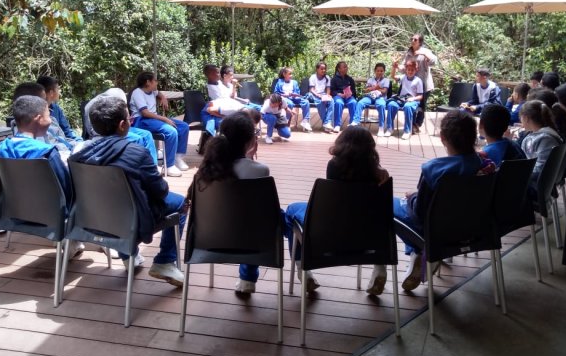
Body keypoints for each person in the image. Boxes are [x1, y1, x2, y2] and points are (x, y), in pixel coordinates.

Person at [70, 96, 187, 287]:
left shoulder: (79, 152)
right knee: (181, 202)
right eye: (130, 119)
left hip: (93, 218)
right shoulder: (135, 152)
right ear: (123, 125)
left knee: (117, 203)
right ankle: (165, 261)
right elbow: (160, 191)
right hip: (133, 221)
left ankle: (128, 256)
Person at [393, 110, 495, 291]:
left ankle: (418, 250)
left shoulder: (433, 169)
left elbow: (420, 212)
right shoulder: (486, 164)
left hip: (436, 233)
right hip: (474, 230)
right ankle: (418, 253)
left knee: (387, 203)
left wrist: (412, 197)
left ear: (442, 138)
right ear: (474, 137)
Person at [285, 126, 390, 295]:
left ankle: (303, 270)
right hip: (367, 238)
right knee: (377, 216)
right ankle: (380, 267)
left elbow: (337, 202)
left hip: (331, 236)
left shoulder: (334, 166)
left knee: (291, 210)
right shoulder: (380, 174)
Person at [190, 111, 273, 294]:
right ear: (250, 141)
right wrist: (249, 159)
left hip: (210, 237)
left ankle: (247, 279)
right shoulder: (261, 171)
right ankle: (248, 278)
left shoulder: (206, 171)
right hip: (251, 240)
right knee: (259, 216)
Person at [0, 95, 72, 205]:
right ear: (39, 119)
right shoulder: (47, 153)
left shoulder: (1, 148)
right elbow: (66, 188)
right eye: (48, 116)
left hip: (14, 208)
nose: (50, 120)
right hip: (50, 210)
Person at [129, 71, 189, 177]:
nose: (157, 82)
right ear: (148, 82)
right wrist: (164, 119)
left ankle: (177, 157)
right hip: (141, 120)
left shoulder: (152, 91)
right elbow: (145, 112)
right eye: (155, 80)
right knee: (171, 131)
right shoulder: (137, 92)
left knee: (184, 126)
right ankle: (169, 165)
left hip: (153, 119)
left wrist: (163, 97)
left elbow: (158, 93)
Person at [82, 87, 158, 165]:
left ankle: (152, 164)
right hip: (105, 132)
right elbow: (92, 129)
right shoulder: (97, 105)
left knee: (146, 134)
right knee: (138, 138)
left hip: (112, 127)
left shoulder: (78, 152)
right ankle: (144, 163)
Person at [519, 100, 563, 204]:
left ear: (526, 118)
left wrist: (518, 174)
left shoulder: (544, 138)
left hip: (536, 186)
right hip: (542, 183)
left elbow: (540, 169)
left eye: (520, 118)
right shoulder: (548, 133)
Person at [394, 33, 437, 132]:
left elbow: (434, 62)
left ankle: (417, 124)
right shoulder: (409, 53)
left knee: (421, 106)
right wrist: (397, 67)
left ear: (420, 42)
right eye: (412, 39)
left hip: (424, 84)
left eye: (415, 39)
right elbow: (405, 67)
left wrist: (423, 54)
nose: (412, 41)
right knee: (411, 103)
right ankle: (412, 124)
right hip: (411, 84)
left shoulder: (425, 51)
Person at [36, 75, 82, 141]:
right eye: (58, 89)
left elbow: (67, 131)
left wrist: (80, 141)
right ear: (51, 93)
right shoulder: (34, 110)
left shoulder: (56, 109)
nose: (59, 92)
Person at [386, 60, 424, 139]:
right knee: (391, 104)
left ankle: (407, 131)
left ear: (416, 70)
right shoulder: (403, 77)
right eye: (408, 70)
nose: (410, 72)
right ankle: (390, 128)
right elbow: (393, 76)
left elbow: (420, 96)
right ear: (406, 70)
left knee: (407, 107)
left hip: (413, 100)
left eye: (412, 70)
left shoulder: (418, 80)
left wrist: (412, 98)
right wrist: (394, 67)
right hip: (402, 99)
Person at [352, 62, 390, 136]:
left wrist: (375, 88)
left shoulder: (386, 80)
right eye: (378, 71)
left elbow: (384, 91)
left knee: (381, 105)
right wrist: (374, 88)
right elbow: (366, 90)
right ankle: (355, 121)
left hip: (380, 97)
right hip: (370, 97)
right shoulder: (370, 80)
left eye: (381, 71)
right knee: (360, 103)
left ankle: (381, 127)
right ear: (375, 71)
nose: (379, 72)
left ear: (384, 71)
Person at [274, 66, 312, 132]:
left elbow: (297, 92)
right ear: (284, 74)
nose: (291, 76)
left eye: (291, 74)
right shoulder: (279, 83)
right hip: (285, 98)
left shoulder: (294, 82)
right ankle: (286, 123)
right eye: (289, 74)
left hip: (293, 98)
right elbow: (276, 93)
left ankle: (305, 121)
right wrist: (284, 95)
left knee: (306, 102)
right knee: (290, 103)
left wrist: (295, 95)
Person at [305, 61, 334, 132]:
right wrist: (318, 95)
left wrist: (327, 96)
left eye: (324, 69)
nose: (323, 70)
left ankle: (327, 122)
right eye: (321, 69)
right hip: (314, 95)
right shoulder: (313, 77)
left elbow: (328, 89)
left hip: (323, 94)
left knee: (331, 101)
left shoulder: (327, 77)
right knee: (320, 102)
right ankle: (326, 123)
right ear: (317, 69)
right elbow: (311, 89)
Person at [330, 61, 357, 133]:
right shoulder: (334, 79)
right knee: (339, 103)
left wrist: (350, 93)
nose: (346, 68)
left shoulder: (350, 79)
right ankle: (337, 125)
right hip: (338, 96)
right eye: (344, 67)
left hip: (348, 97)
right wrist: (338, 94)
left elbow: (353, 90)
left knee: (353, 102)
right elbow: (332, 91)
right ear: (339, 69)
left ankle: (352, 124)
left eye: (346, 67)